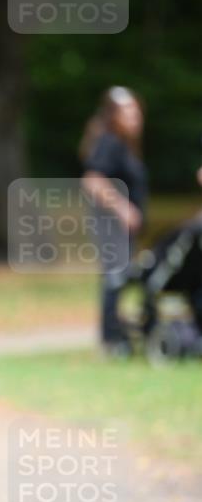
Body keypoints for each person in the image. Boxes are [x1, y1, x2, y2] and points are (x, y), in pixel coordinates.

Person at [80, 86, 148, 355]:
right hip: (112, 227)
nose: (135, 119)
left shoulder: (123, 145)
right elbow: (93, 180)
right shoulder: (110, 142)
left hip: (121, 231)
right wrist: (123, 208)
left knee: (119, 277)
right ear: (113, 116)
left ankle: (117, 334)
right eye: (128, 113)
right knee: (115, 277)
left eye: (136, 113)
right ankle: (111, 340)